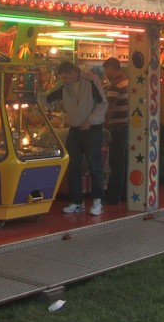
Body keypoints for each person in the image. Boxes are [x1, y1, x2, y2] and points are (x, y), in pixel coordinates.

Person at [46, 60, 108, 216]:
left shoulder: (91, 80)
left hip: (92, 129)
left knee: (94, 166)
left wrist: (90, 120)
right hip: (74, 130)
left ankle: (98, 201)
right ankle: (76, 201)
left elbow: (102, 104)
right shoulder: (64, 86)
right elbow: (47, 97)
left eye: (66, 77)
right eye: (62, 78)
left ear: (74, 72)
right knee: (73, 166)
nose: (64, 80)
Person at [102, 57, 129, 206]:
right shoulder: (127, 82)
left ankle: (113, 196)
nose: (106, 73)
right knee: (123, 162)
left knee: (116, 164)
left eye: (107, 70)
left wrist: (104, 125)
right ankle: (124, 192)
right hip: (126, 127)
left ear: (113, 68)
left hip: (117, 129)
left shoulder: (114, 86)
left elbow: (109, 109)